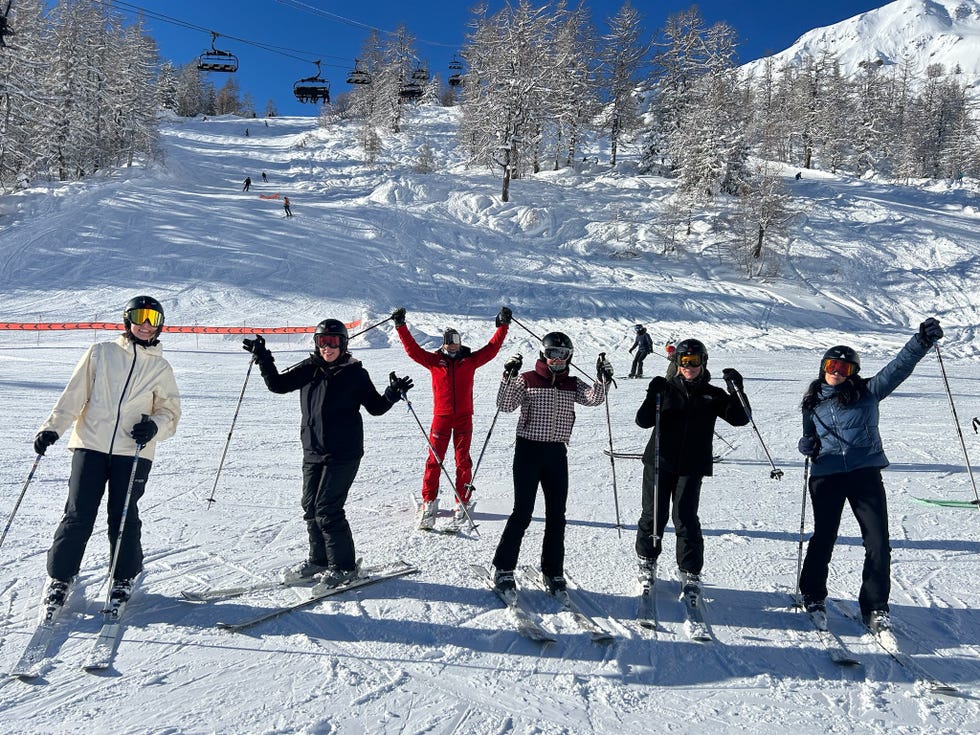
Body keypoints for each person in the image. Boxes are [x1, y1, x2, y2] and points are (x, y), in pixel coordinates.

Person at [796, 318, 943, 633]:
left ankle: (875, 607)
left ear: (853, 373)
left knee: (878, 542)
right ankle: (812, 594)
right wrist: (806, 445)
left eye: (844, 368)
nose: (837, 372)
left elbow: (898, 368)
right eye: (832, 365)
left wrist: (921, 342)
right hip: (827, 476)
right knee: (824, 537)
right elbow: (809, 439)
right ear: (823, 367)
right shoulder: (812, 404)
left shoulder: (868, 392)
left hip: (865, 475)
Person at [32, 296, 181, 608]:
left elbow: (170, 412)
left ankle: (123, 577)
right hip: (90, 445)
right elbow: (74, 395)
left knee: (123, 515)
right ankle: (60, 577)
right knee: (78, 513)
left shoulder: (161, 367)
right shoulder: (101, 353)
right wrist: (52, 428)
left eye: (153, 319)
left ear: (160, 326)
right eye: (139, 316)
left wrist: (154, 426)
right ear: (127, 320)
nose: (145, 324)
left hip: (133, 451)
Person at [243, 320, 413, 588]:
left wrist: (392, 394)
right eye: (322, 342)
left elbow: (376, 408)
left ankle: (344, 567)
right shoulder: (309, 368)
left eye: (333, 342)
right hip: (313, 450)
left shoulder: (355, 374)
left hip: (343, 452)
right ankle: (320, 560)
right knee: (310, 507)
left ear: (343, 344)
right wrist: (264, 357)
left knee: (328, 509)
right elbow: (277, 385)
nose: (327, 347)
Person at [491, 332, 610, 595]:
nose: (556, 359)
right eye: (551, 353)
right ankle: (503, 567)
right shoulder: (528, 379)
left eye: (562, 354)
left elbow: (594, 398)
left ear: (569, 356)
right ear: (543, 354)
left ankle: (553, 571)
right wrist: (508, 376)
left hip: (556, 453)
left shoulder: (572, 383)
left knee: (557, 516)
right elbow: (505, 405)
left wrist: (602, 379)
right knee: (522, 512)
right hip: (528, 451)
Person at [633, 338, 749, 592]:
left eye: (694, 361)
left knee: (685, 518)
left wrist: (737, 391)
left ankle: (690, 570)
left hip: (691, 465)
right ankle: (647, 561)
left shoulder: (712, 394)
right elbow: (642, 421)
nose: (689, 367)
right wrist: (652, 394)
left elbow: (741, 418)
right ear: (677, 363)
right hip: (659, 461)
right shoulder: (665, 389)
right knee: (653, 514)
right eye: (684, 361)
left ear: (703, 362)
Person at [393, 307, 511, 529]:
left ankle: (461, 501)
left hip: (464, 418)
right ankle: (429, 501)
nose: (452, 344)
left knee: (462, 460)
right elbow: (413, 351)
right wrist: (401, 326)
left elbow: (491, 349)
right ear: (443, 343)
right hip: (442, 417)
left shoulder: (470, 361)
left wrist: (503, 326)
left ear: (460, 342)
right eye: (448, 340)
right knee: (434, 460)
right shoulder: (435, 361)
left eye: (455, 340)